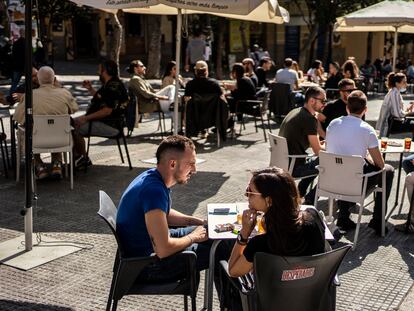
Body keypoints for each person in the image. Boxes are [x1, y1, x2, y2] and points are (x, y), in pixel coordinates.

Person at [116, 135, 230, 300]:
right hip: (147, 265)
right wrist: (192, 237)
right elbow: (163, 250)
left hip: (144, 253)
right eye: (190, 164)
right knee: (223, 246)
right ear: (172, 164)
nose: (195, 170)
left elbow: (163, 214)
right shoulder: (154, 190)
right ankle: (231, 306)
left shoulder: (151, 177)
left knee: (219, 234)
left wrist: (197, 222)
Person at [225, 167, 325, 307]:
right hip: (311, 301)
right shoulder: (314, 218)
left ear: (269, 200)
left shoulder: (260, 244)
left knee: (223, 254)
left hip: (271, 303)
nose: (246, 195)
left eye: (250, 192)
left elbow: (233, 271)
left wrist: (244, 234)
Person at [326, 90, 394, 233]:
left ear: (347, 107)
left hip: (331, 182)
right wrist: (367, 157)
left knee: (346, 167)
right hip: (354, 185)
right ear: (365, 110)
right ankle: (378, 220)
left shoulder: (332, 124)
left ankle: (343, 217)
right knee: (388, 170)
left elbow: (334, 150)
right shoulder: (367, 130)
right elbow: (380, 164)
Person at [13, 66, 78, 179]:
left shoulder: (30, 96)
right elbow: (74, 109)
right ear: (54, 79)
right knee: (56, 127)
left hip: (38, 142)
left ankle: (39, 166)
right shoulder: (65, 94)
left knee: (25, 130)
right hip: (61, 141)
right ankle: (57, 165)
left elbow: (18, 118)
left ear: (38, 79)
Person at [72, 59, 129, 168]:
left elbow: (107, 110)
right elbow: (102, 99)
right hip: (106, 121)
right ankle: (79, 157)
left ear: (105, 71)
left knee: (73, 128)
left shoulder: (113, 87)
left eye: (99, 70)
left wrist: (86, 118)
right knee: (72, 123)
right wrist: (90, 89)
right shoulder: (110, 84)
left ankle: (82, 158)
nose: (98, 73)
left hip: (111, 124)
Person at [279, 86, 327, 204]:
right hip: (295, 167)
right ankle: (309, 200)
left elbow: (297, 139)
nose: (324, 105)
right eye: (323, 101)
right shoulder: (309, 119)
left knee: (319, 162)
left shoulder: (295, 111)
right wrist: (332, 146)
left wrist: (320, 144)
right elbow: (318, 152)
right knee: (329, 164)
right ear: (312, 101)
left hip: (284, 162)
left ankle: (300, 192)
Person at [376, 72, 414, 137]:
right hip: (391, 124)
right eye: (404, 82)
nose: (406, 84)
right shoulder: (395, 93)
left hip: (393, 122)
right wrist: (410, 113)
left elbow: (397, 111)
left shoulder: (394, 92)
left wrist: (407, 111)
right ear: (397, 83)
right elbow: (398, 114)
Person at [9, 28, 25, 96]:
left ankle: (11, 99)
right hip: (24, 66)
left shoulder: (16, 43)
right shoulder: (26, 43)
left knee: (14, 83)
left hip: (17, 66)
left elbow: (13, 55)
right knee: (29, 83)